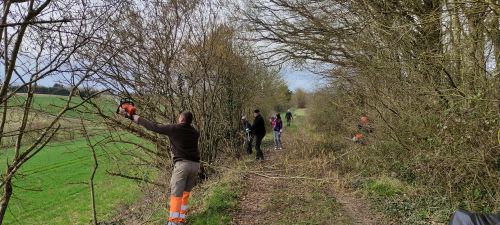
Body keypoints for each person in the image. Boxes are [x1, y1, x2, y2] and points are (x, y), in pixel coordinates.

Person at [118, 108, 199, 225]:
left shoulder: (175, 128)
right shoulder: (195, 133)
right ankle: (180, 220)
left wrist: (133, 117)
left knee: (176, 194)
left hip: (182, 166)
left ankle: (173, 222)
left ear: (181, 118)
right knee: (185, 194)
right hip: (195, 166)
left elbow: (153, 127)